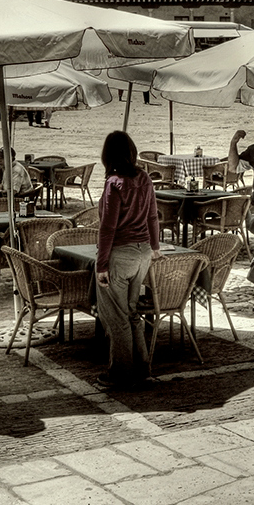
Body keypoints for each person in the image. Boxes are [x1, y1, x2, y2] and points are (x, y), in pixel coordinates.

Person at [95, 130, 162, 390]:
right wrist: (155, 247)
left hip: (120, 254)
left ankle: (120, 373)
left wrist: (101, 265)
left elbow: (107, 228)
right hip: (142, 251)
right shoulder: (144, 177)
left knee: (117, 317)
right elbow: (153, 216)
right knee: (133, 313)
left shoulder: (114, 182)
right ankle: (142, 368)